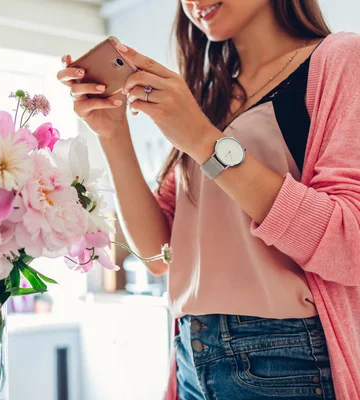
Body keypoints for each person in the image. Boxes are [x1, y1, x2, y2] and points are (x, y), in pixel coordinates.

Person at [57, 0, 360, 399]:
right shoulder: (208, 93)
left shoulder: (341, 59)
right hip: (190, 352)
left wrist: (203, 140)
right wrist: (112, 134)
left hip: (284, 356)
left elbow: (348, 243)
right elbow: (156, 253)